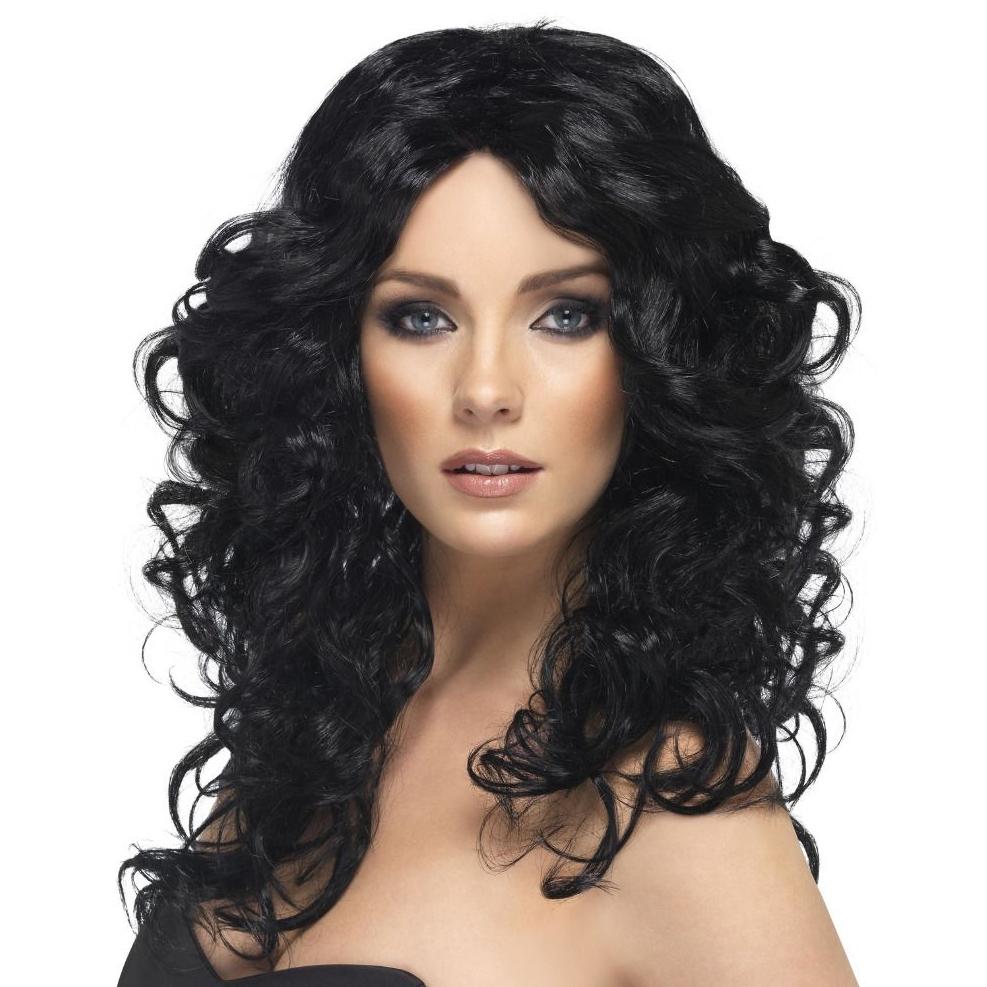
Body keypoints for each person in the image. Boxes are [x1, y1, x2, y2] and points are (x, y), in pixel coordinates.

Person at [117, 18, 861, 987]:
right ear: (340, 357)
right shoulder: (322, 724)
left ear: (658, 353)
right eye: (421, 316)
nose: (485, 389)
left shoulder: (680, 808)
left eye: (566, 314)